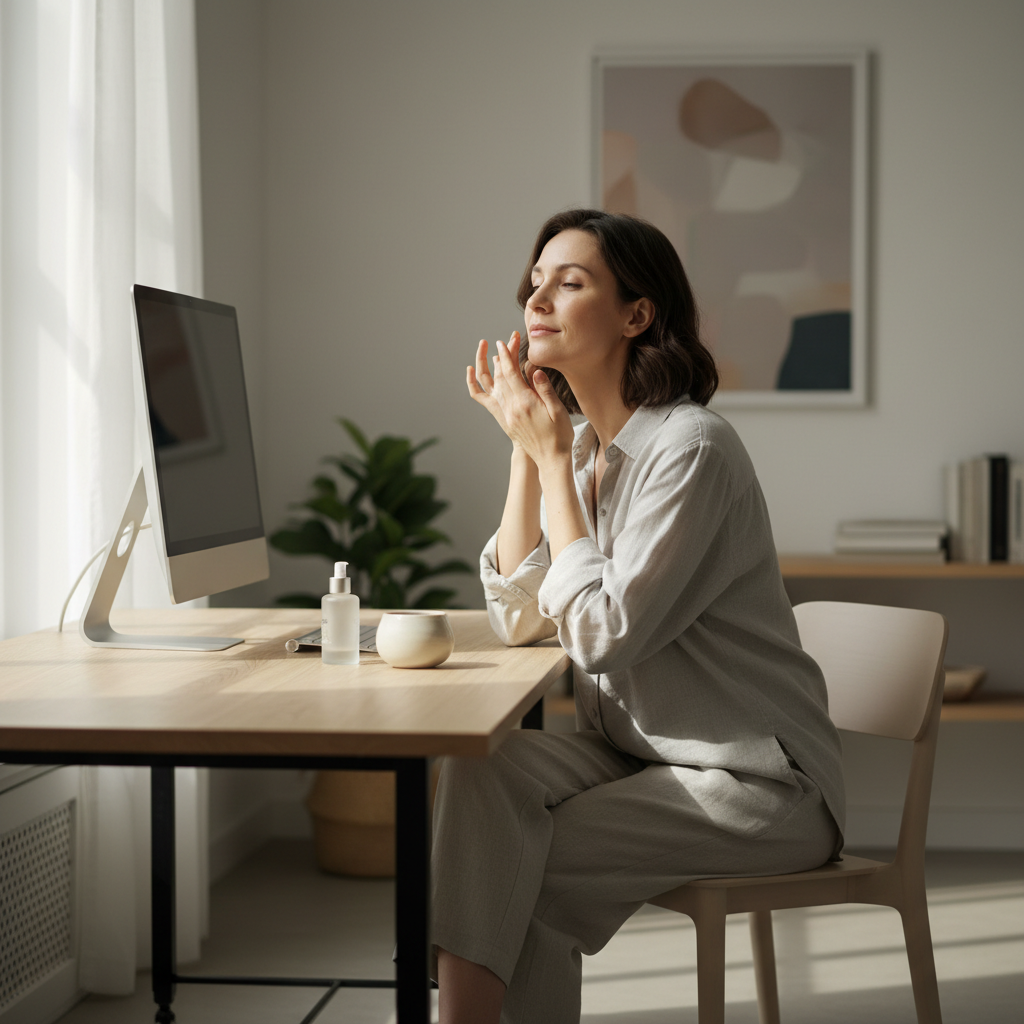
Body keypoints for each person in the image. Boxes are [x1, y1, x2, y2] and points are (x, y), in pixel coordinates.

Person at [432, 209, 845, 1024]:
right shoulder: (582, 450)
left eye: (571, 281)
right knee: (481, 772)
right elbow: (521, 622)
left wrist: (549, 457)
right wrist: (530, 449)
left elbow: (601, 635)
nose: (538, 296)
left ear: (636, 314)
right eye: (536, 281)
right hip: (644, 756)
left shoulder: (690, 450)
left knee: (524, 867)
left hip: (758, 786)